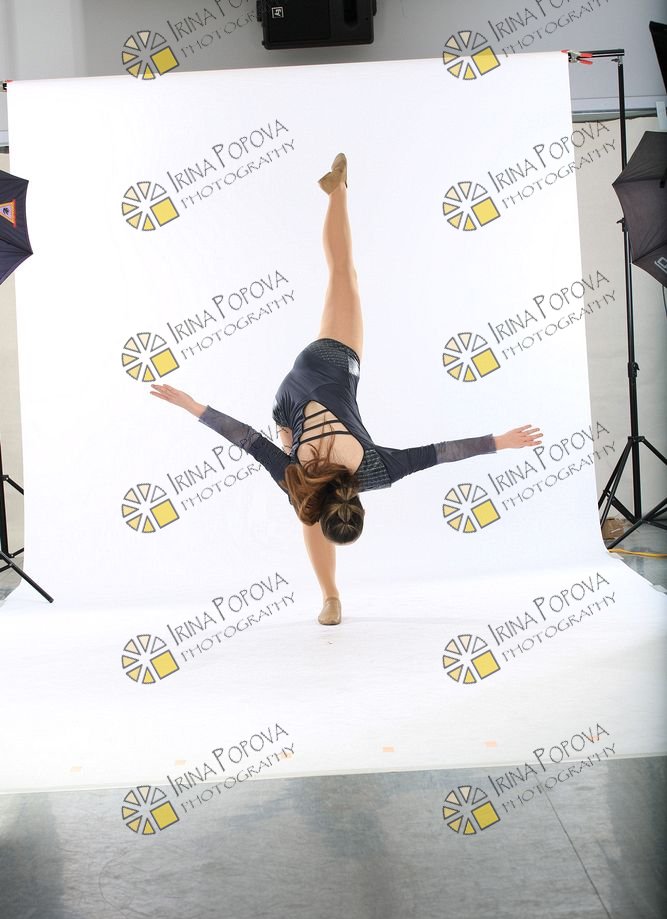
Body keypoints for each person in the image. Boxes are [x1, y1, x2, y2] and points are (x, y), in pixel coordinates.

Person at [151, 154, 542, 626]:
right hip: (287, 402)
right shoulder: (297, 478)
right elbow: (245, 438)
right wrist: (191, 404)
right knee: (300, 496)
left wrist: (501, 441)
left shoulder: (376, 471)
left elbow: (440, 453)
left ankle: (337, 190)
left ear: (359, 501)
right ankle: (329, 596)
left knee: (343, 272)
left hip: (331, 362)